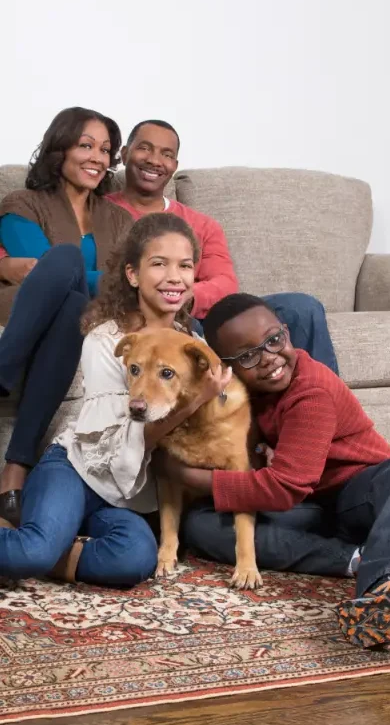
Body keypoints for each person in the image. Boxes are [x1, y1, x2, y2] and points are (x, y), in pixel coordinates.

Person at [0, 213, 230, 587]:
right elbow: (129, 432)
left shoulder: (196, 347)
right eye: (159, 264)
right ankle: (39, 549)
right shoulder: (107, 339)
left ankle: (55, 551)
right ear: (133, 275)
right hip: (76, 470)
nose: (175, 276)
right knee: (34, 550)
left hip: (126, 496)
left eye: (185, 266)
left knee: (134, 559)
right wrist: (195, 400)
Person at [154, 293, 390, 649]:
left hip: (363, 492)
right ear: (226, 366)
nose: (269, 359)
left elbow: (283, 488)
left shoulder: (310, 389)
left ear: (287, 332)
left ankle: (379, 593)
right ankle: (354, 558)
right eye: (249, 355)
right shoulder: (242, 395)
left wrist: (182, 474)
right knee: (202, 525)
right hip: (314, 508)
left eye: (274, 340)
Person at [107, 119, 338, 372]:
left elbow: (225, 284)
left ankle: (324, 404)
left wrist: (185, 294)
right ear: (125, 153)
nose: (154, 159)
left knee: (302, 308)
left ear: (174, 166)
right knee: (182, 327)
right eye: (145, 148)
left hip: (207, 313)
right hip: (168, 318)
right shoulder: (102, 214)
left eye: (167, 154)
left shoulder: (203, 224)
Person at [0, 107, 133, 524]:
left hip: (84, 312)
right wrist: (95, 274)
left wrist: (91, 277)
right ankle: (16, 469)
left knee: (74, 302)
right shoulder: (22, 202)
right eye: (86, 145)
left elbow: (127, 282)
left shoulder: (119, 218)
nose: (98, 157)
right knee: (64, 261)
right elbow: (42, 273)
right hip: (24, 305)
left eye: (106, 150)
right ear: (60, 149)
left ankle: (14, 467)